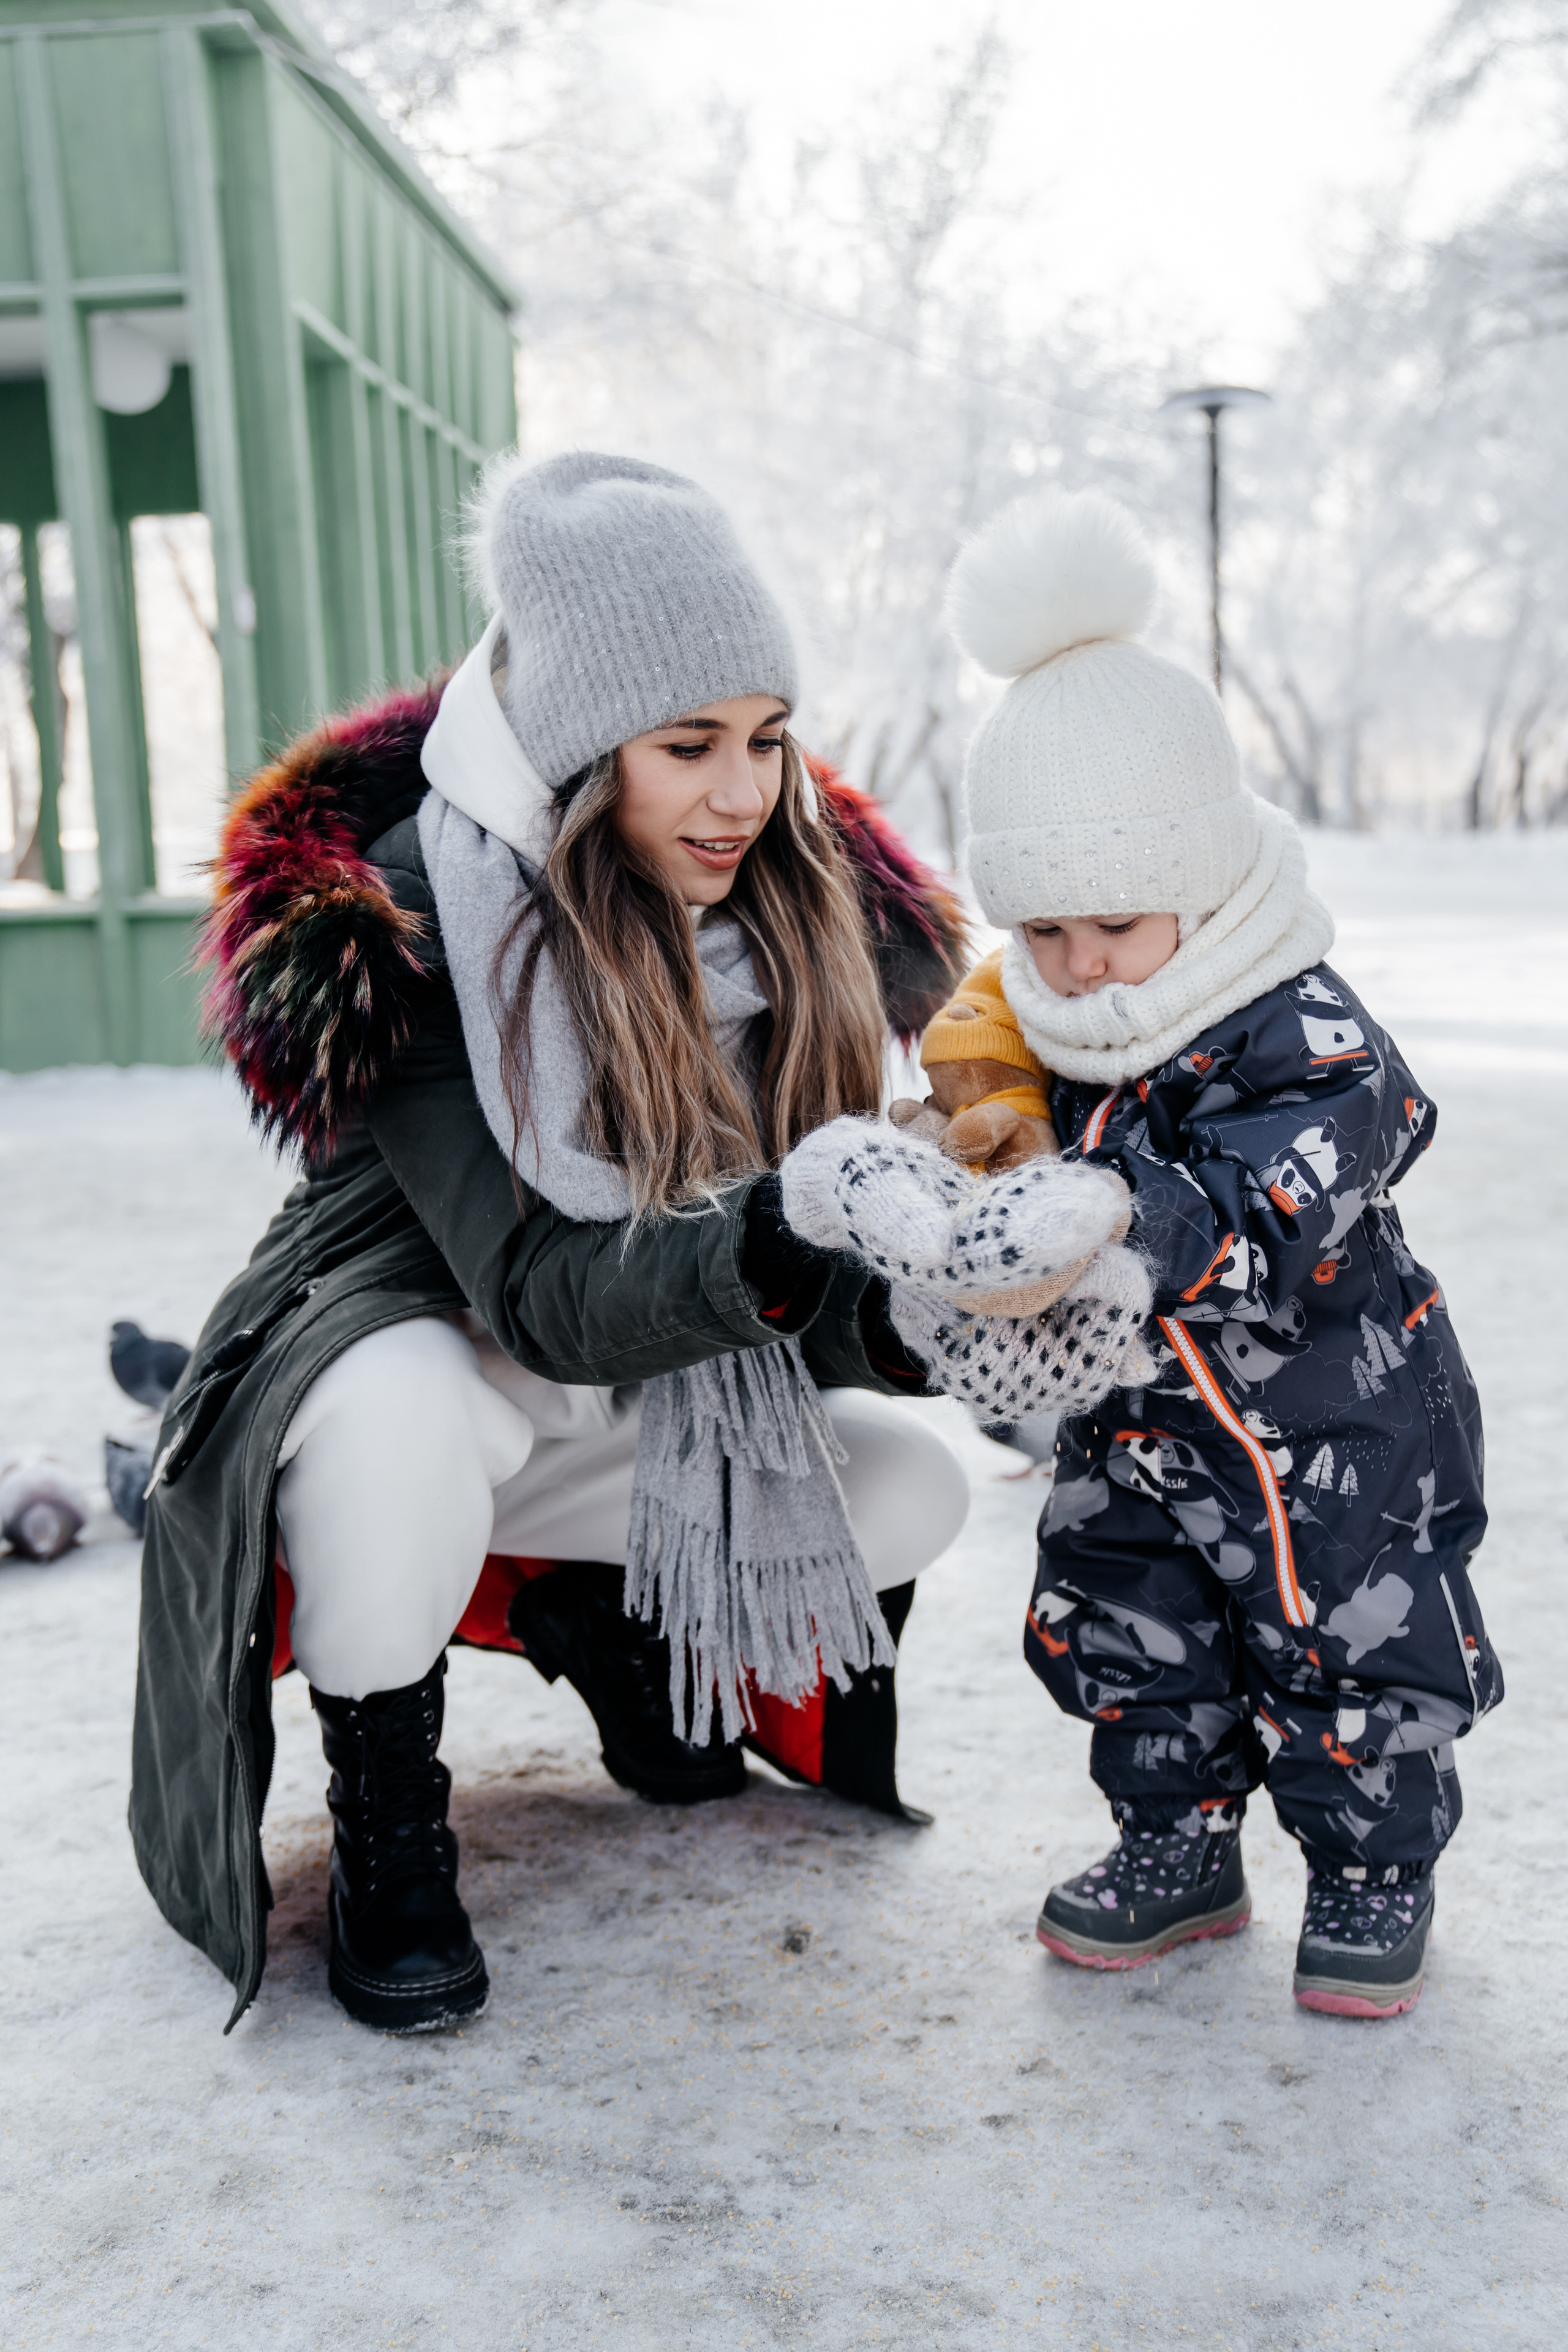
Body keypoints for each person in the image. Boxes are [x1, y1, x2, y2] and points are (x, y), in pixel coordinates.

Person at [132, 451, 1004, 2037]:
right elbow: (536, 1294)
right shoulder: (408, 914)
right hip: (411, 1341)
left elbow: (779, 1281)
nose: (744, 793)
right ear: (584, 744)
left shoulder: (784, 907)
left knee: (905, 1491)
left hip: (627, 1390)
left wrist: (916, 1300)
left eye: (765, 740)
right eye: (689, 747)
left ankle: (598, 1617)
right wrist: (788, 1231)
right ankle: (390, 1799)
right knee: (408, 1414)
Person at [918, 484, 1500, 2019]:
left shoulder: (1301, 1028)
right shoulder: (1032, 1031)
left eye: (1111, 922)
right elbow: (992, 1159)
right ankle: (1173, 1841)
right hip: (1134, 1428)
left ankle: (1373, 1863)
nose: (1076, 965)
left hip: (1330, 1430)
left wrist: (1125, 1211)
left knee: (1350, 1646)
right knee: (1129, 1624)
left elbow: (1290, 1195)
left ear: (1203, 878)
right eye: (1039, 932)